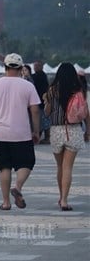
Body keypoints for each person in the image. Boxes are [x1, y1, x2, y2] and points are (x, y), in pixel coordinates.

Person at [0, 53, 40, 211]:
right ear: (21, 69)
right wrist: (36, 131)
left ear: (5, 67)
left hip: (2, 132)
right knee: (27, 162)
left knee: (4, 167)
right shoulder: (28, 85)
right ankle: (18, 187)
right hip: (22, 133)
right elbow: (35, 110)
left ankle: (6, 202)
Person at [43, 63, 89, 211]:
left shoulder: (51, 90)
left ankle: (61, 196)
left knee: (60, 166)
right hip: (73, 130)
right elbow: (85, 112)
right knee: (68, 167)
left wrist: (47, 102)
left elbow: (47, 112)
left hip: (56, 131)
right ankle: (64, 200)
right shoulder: (78, 91)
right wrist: (88, 130)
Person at [32, 61, 50, 143]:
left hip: (42, 101)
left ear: (41, 67)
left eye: (37, 66)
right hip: (39, 100)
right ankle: (41, 136)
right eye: (34, 66)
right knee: (42, 121)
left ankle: (47, 137)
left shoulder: (41, 75)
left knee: (44, 120)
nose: (35, 67)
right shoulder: (37, 76)